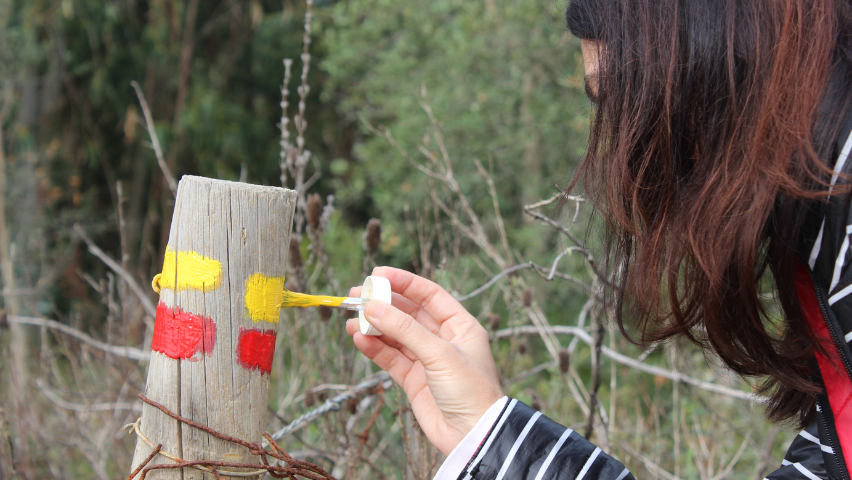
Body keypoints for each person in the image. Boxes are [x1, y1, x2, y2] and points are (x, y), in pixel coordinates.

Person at [345, 0, 852, 478]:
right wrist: (487, 433)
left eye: (617, 95)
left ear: (705, 51)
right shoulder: (819, 221)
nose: (621, 151)